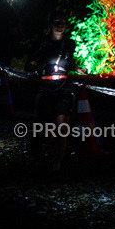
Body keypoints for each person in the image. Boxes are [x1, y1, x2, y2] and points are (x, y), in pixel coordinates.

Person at [26, 11, 79, 172]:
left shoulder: (70, 44)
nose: (59, 24)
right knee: (49, 132)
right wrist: (34, 66)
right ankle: (48, 155)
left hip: (64, 87)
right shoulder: (41, 44)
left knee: (63, 126)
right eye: (56, 22)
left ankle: (57, 166)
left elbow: (69, 62)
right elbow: (30, 64)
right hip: (46, 89)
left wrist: (77, 68)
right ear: (50, 25)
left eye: (62, 22)